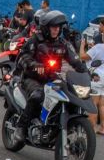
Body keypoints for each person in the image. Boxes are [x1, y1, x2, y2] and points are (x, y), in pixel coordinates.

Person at [14, 11, 87, 141]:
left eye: (58, 27)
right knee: (38, 95)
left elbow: (75, 60)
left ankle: (58, 124)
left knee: (71, 95)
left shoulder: (63, 43)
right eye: (53, 27)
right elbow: (22, 57)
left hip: (53, 78)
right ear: (46, 27)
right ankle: (21, 127)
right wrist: (34, 64)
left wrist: (87, 72)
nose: (56, 29)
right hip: (32, 78)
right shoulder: (35, 40)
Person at [79, 38, 104, 135]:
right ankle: (103, 128)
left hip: (97, 78)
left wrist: (82, 45)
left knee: (93, 104)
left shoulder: (99, 47)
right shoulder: (97, 47)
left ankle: (91, 130)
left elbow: (82, 57)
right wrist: (93, 48)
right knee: (102, 104)